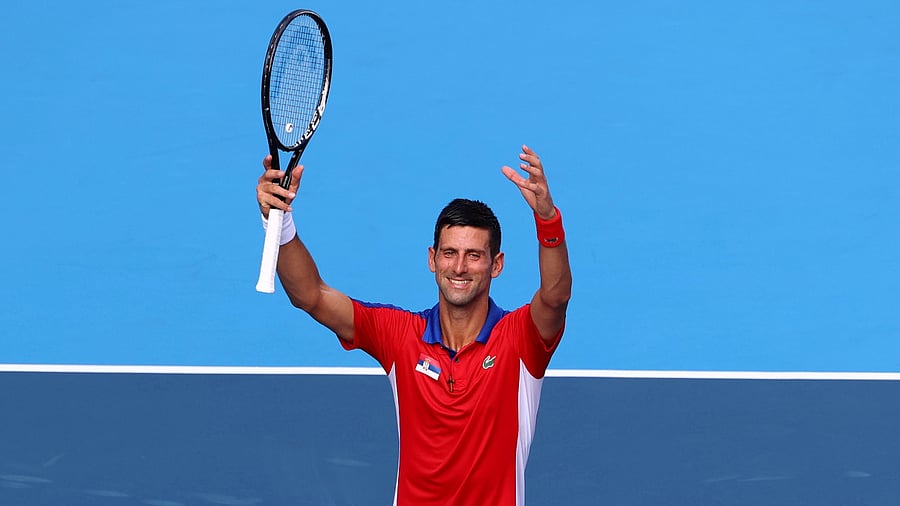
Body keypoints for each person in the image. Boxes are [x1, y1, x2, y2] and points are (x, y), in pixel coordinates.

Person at [255, 145, 572, 505]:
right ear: (432, 259)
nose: (459, 267)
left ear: (496, 264)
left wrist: (548, 219)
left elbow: (556, 297)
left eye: (474, 256)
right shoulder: (399, 335)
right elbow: (310, 295)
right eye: (449, 253)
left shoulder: (519, 339)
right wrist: (278, 222)